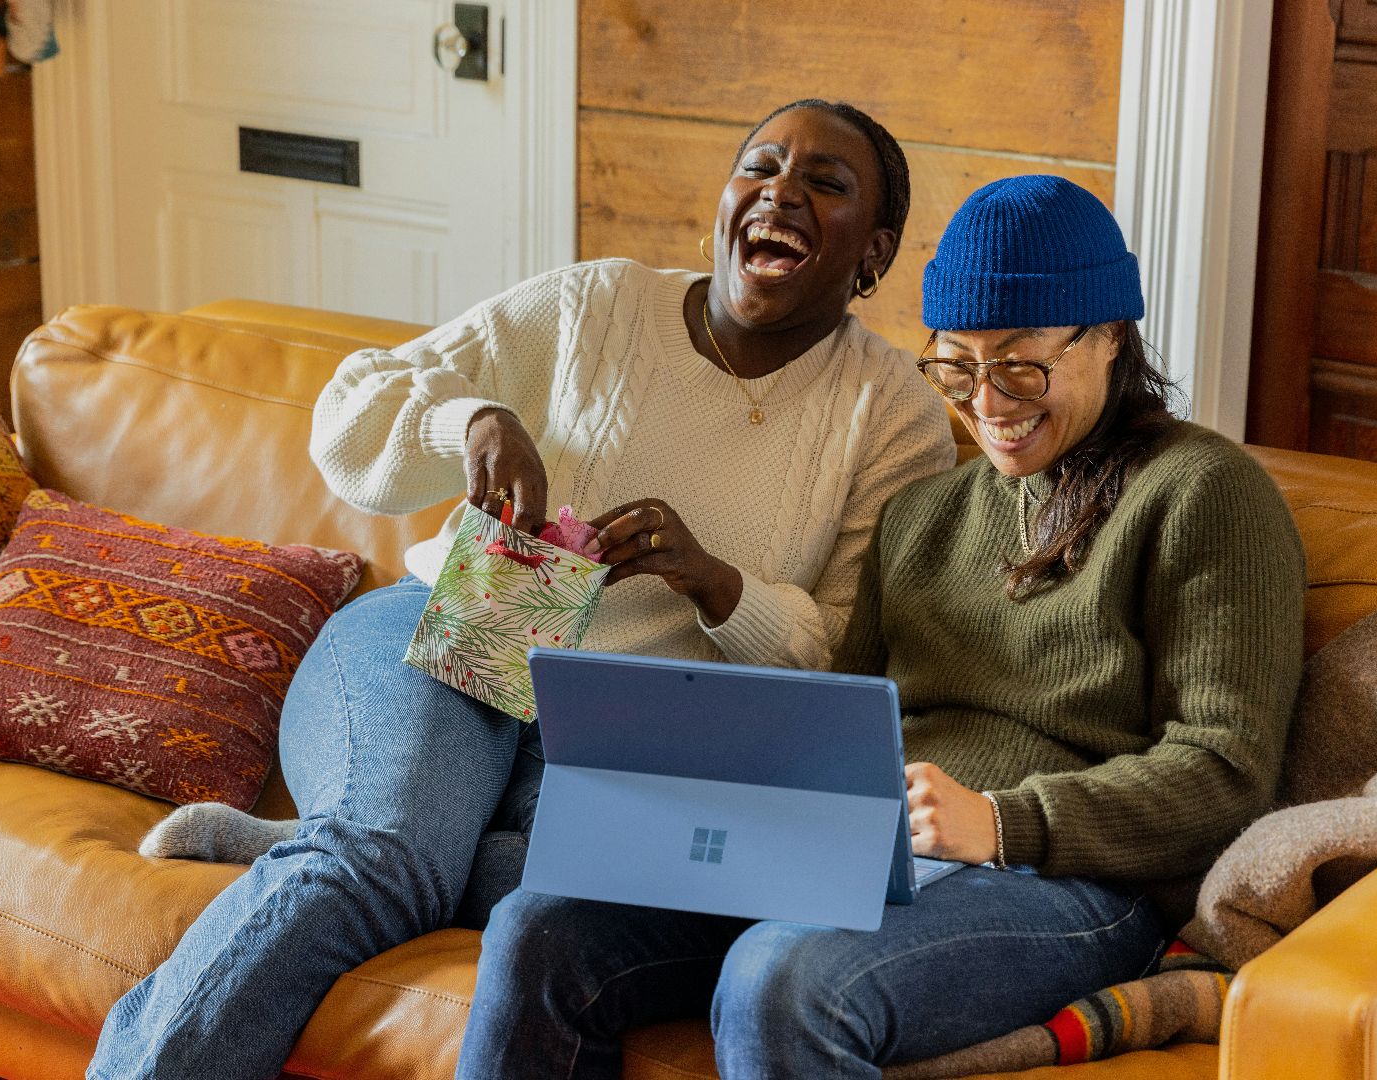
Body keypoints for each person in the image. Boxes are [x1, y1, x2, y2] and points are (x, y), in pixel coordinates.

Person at [85, 100, 956, 1080]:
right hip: (453, 630)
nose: (780, 191)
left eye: (825, 184)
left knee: (585, 884)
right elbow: (348, 412)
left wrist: (718, 586)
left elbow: (848, 655)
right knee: (378, 869)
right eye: (759, 166)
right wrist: (476, 423)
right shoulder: (597, 307)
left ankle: (321, 836)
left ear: (873, 253)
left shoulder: (895, 420)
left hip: (631, 737)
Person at [458, 175, 1308, 1079]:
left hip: (1068, 882)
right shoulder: (923, 516)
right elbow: (838, 719)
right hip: (866, 852)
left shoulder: (1204, 493)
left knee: (784, 977)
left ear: (1108, 336)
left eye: (1021, 365)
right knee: (539, 924)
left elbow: (1225, 771)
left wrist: (1004, 824)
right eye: (957, 366)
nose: (987, 403)